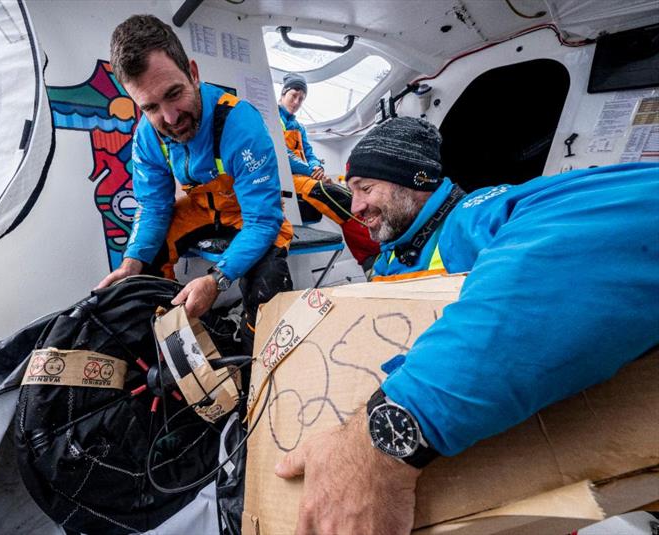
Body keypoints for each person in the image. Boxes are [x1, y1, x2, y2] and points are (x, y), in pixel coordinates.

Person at [274, 116, 659, 533]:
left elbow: (620, 217)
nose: (356, 207)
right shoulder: (391, 255)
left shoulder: (470, 219)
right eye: (352, 192)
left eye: (366, 188)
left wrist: (394, 428)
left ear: (415, 180)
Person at [97, 15, 294, 351]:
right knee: (143, 267)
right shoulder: (147, 136)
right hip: (200, 210)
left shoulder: (240, 123)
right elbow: (154, 206)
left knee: (268, 287)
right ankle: (171, 347)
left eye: (174, 94)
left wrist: (217, 280)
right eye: (151, 107)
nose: (170, 118)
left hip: (250, 214)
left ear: (193, 73)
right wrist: (132, 263)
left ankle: (252, 359)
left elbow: (263, 220)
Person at [278, 73, 379, 270]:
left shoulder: (299, 127)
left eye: (301, 99)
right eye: (294, 96)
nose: (297, 102)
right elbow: (283, 154)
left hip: (304, 176)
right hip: (287, 179)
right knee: (330, 193)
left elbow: (309, 152)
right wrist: (311, 171)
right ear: (283, 94)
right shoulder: (272, 119)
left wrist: (318, 167)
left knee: (347, 193)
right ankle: (369, 252)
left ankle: (375, 243)